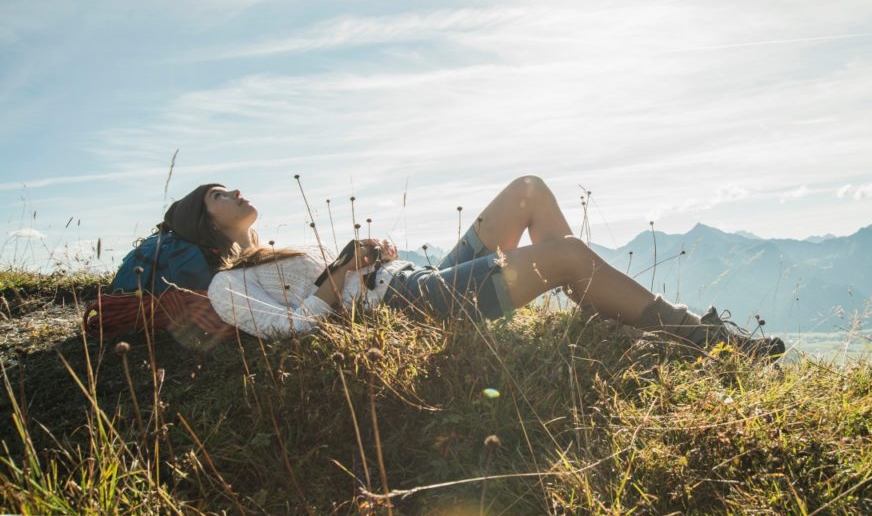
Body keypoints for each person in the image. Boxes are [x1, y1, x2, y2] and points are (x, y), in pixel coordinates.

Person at [159, 176, 784, 357]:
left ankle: (588, 294)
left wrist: (368, 260)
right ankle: (695, 334)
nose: (236, 193)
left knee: (528, 191)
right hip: (410, 307)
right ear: (206, 221)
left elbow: (342, 283)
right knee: (565, 256)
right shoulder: (224, 287)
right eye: (220, 195)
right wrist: (343, 270)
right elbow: (296, 330)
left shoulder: (278, 252)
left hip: (411, 283)